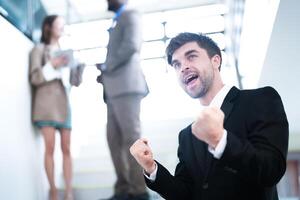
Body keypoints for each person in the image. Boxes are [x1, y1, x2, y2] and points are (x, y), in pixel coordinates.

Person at [130, 32, 289, 200]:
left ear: (216, 61)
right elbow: (185, 195)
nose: (183, 67)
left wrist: (221, 141)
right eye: (177, 64)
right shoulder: (186, 136)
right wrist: (151, 168)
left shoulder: (259, 99)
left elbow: (271, 170)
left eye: (191, 57)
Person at [96, 0, 149, 200]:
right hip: (113, 89)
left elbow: (131, 45)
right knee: (113, 139)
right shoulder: (118, 19)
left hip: (127, 87)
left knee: (131, 138)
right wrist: (105, 71)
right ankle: (124, 188)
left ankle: (139, 190)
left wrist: (107, 66)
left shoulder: (131, 14)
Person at [29, 15, 84, 200]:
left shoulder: (66, 52)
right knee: (50, 149)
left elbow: (74, 83)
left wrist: (78, 68)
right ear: (48, 27)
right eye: (58, 23)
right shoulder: (38, 50)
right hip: (46, 105)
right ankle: (53, 191)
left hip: (64, 104)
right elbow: (35, 78)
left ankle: (68, 193)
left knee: (67, 149)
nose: (62, 26)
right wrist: (52, 64)